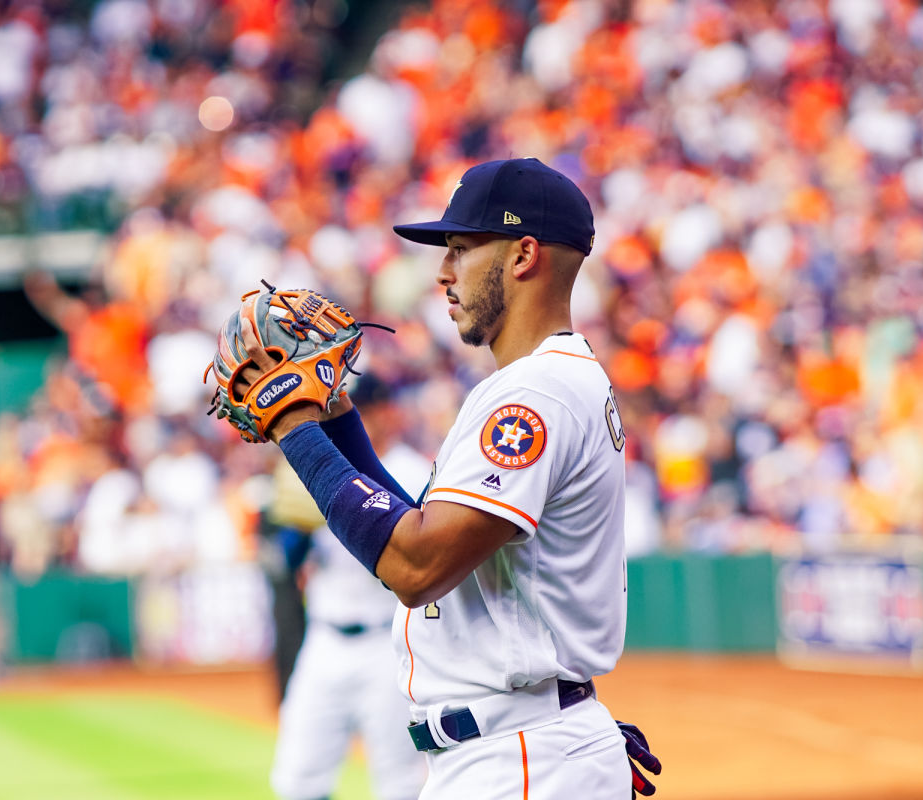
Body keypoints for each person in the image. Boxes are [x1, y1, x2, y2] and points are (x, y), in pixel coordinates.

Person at [236, 158, 654, 798]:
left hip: (518, 756)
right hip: (527, 746)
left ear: (523, 255)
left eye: (460, 249)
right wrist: (335, 417)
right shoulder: (554, 380)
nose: (442, 271)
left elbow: (417, 567)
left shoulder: (535, 392)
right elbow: (426, 539)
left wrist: (293, 427)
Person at [269, 375, 428, 800]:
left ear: (390, 413)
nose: (370, 418)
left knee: (399, 781)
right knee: (298, 778)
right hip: (324, 640)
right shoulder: (323, 463)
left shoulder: (410, 469)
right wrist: (296, 529)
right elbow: (287, 559)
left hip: (388, 645)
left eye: (374, 409)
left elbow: (415, 559)